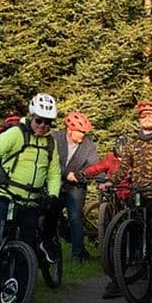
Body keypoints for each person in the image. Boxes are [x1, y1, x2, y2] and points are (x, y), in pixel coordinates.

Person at [0, 92, 62, 303]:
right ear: (30, 116)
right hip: (5, 197)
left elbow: (54, 174)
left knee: (27, 253)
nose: (43, 126)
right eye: (39, 121)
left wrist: (52, 196)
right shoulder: (15, 134)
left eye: (48, 122)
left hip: (30, 202)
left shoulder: (50, 144)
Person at [101, 101, 152, 303]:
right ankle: (144, 276)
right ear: (140, 119)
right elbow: (124, 166)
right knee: (142, 236)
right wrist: (111, 180)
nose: (148, 119)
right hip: (140, 195)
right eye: (144, 116)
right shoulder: (133, 142)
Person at [80, 135, 132, 299]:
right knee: (115, 219)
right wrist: (84, 173)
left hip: (130, 193)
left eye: (125, 156)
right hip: (115, 193)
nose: (122, 158)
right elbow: (98, 167)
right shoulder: (110, 158)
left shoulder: (134, 158)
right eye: (119, 156)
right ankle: (113, 240)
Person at [50, 110, 98, 262]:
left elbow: (95, 166)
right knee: (51, 215)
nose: (83, 135)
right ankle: (52, 249)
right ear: (70, 130)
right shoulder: (55, 138)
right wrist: (66, 173)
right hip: (55, 182)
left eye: (85, 132)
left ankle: (77, 255)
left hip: (76, 185)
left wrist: (104, 179)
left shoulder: (88, 145)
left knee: (76, 217)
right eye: (81, 132)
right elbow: (49, 161)